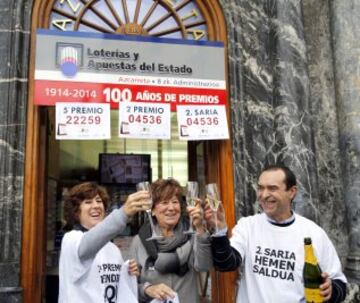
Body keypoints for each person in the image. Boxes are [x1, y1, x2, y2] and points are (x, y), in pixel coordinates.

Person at [205, 165, 347, 303]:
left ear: (291, 192)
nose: (264, 195)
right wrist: (219, 230)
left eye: (272, 188)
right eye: (260, 188)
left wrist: (330, 290)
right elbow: (225, 264)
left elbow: (340, 285)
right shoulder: (248, 226)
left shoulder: (314, 233)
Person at [58, 182, 151, 303]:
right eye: (88, 202)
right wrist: (123, 214)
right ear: (76, 212)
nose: (96, 205)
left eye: (99, 201)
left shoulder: (112, 248)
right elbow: (88, 246)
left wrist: (127, 272)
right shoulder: (71, 239)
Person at [129, 178, 212, 302]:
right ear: (152, 210)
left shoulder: (192, 235)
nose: (171, 208)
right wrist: (148, 289)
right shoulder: (139, 241)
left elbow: (204, 266)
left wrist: (200, 227)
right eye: (164, 202)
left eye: (175, 202)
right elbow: (129, 286)